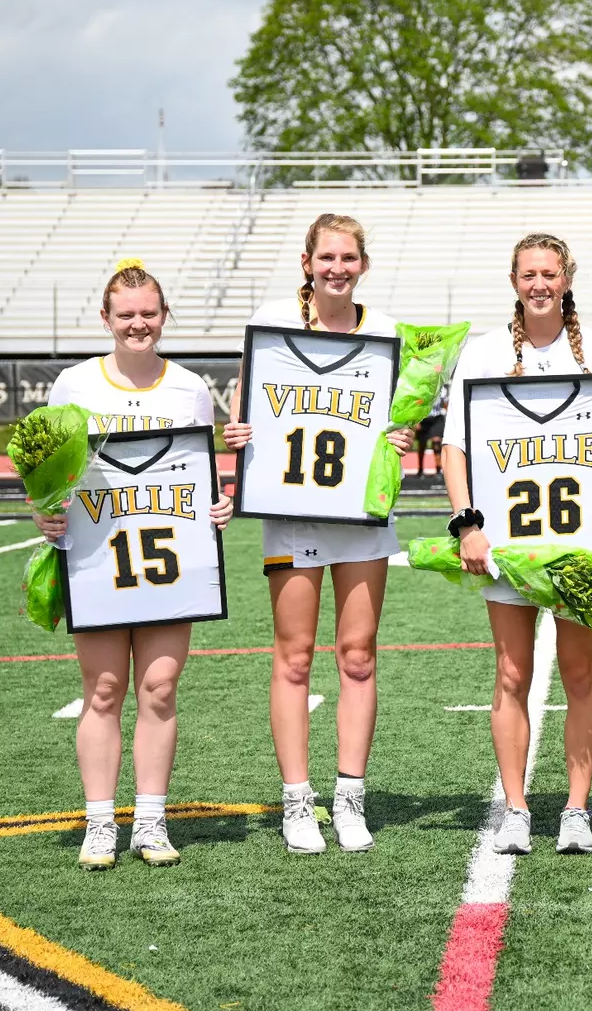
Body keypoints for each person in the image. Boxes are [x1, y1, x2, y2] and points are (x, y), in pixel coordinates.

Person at [442, 232, 592, 856]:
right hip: (510, 546)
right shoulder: (483, 353)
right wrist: (467, 525)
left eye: (549, 273)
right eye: (529, 274)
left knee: (582, 673)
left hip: (582, 545)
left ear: (567, 279)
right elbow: (455, 451)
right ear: (514, 281)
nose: (539, 284)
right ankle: (517, 808)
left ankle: (577, 810)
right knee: (511, 672)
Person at [222, 214, 414, 855]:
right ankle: (298, 801)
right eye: (326, 257)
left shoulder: (385, 331)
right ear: (307, 261)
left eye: (348, 258)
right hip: (292, 510)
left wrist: (401, 437)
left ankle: (350, 797)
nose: (337, 268)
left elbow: (398, 417)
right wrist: (238, 429)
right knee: (295, 656)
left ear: (363, 264)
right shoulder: (274, 319)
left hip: (360, 515)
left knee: (358, 657)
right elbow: (244, 397)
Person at [37, 260, 234, 870]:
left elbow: (201, 469)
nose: (138, 324)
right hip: (99, 561)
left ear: (164, 315)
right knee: (102, 690)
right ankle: (100, 822)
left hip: (171, 561)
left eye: (149, 312)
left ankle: (150, 819)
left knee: (159, 688)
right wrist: (44, 512)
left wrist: (218, 504)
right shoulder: (73, 384)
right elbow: (46, 472)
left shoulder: (190, 387)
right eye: (126, 314)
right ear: (106, 318)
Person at [413, 384, 447, 476]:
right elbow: (416, 405)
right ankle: (420, 469)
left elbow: (445, 404)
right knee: (422, 444)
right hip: (423, 418)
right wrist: (416, 421)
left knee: (436, 443)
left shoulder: (441, 389)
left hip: (437, 418)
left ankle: (438, 468)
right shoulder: (421, 389)